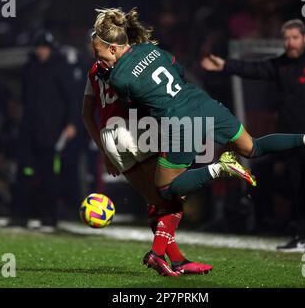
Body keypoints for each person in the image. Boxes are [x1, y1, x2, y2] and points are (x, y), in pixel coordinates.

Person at [90, 8, 305, 272]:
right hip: (204, 103)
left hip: (181, 122)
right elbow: (179, 72)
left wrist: (108, 77)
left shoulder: (117, 76)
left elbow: (133, 103)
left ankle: (220, 167)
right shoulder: (153, 50)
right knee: (253, 146)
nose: (99, 58)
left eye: (100, 53)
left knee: (165, 190)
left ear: (114, 48)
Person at [201, 19, 305, 253]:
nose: (290, 43)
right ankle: (302, 236)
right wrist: (225, 65)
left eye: (294, 38)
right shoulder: (282, 65)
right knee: (297, 188)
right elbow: (256, 69)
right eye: (286, 38)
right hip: (293, 139)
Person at [83, 59, 212, 276]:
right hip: (136, 129)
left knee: (155, 201)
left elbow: (86, 115)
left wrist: (105, 152)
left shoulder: (94, 69)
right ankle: (158, 253)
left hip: (110, 137)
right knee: (172, 196)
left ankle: (177, 260)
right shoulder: (133, 60)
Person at [5, 31, 78, 232]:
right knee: (23, 173)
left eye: (44, 47)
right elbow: (25, 97)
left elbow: (72, 97)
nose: (41, 51)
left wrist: (71, 123)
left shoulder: (61, 68)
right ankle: (20, 215)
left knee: (50, 175)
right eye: (39, 47)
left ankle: (50, 217)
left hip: (51, 130)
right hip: (29, 128)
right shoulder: (31, 67)